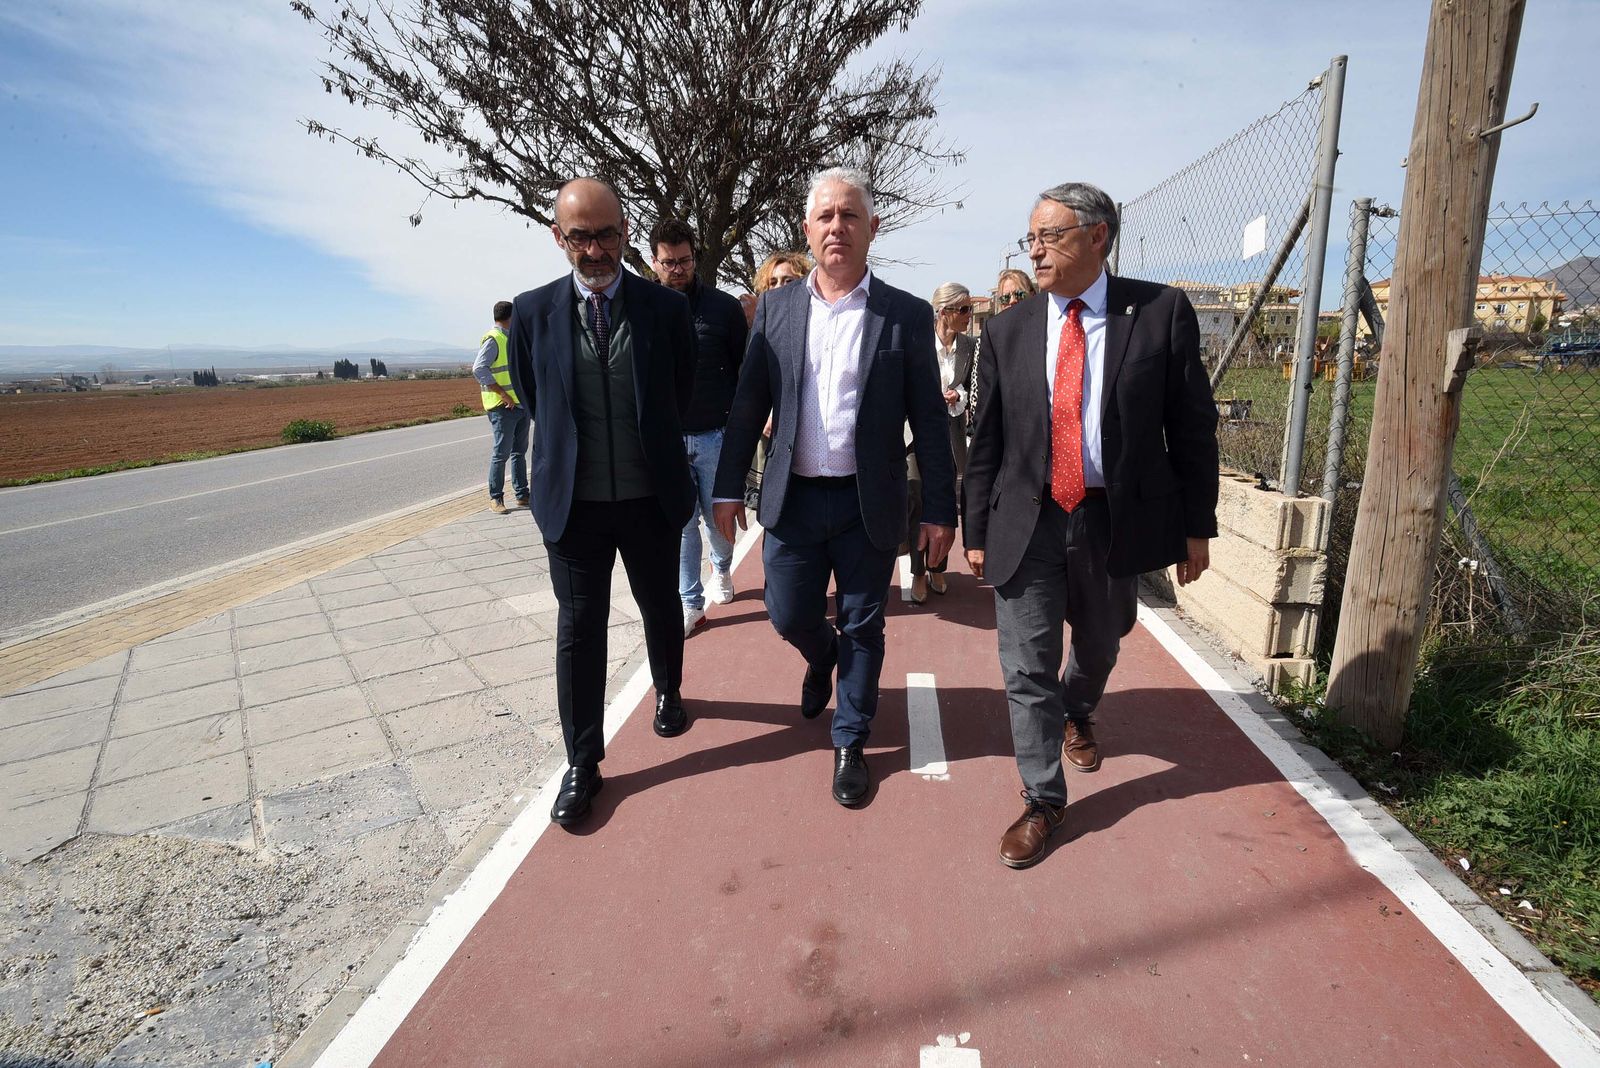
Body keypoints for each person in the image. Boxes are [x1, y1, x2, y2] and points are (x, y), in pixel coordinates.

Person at [963, 181, 1219, 869]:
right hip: (1029, 517)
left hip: (1113, 518)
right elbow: (985, 439)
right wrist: (975, 528)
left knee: (1104, 643)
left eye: (1050, 235)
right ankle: (1042, 799)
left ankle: (1081, 706)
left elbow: (1192, 428)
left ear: (1098, 237)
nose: (1036, 250)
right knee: (1025, 666)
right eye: (1031, 237)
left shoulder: (1160, 312)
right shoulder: (1007, 328)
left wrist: (1197, 526)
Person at [712, 167, 956, 807]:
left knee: (865, 625)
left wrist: (939, 508)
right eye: (825, 217)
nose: (837, 228)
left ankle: (850, 738)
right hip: (793, 500)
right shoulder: (779, 310)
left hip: (865, 501)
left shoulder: (903, 314)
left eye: (850, 216)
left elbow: (930, 419)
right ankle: (820, 658)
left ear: (872, 228)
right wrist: (726, 486)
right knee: (787, 611)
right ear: (808, 230)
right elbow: (747, 405)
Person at [506, 177, 697, 826]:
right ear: (558, 237)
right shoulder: (531, 314)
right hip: (575, 507)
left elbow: (678, 390)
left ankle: (669, 690)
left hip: (649, 498)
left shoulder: (665, 311)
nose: (595, 249)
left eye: (607, 234)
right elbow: (536, 401)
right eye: (579, 237)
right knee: (578, 629)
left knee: (659, 602)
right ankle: (583, 762)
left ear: (625, 232)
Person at [649, 218, 749, 637]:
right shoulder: (644, 308)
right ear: (654, 261)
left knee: (717, 520)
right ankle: (691, 602)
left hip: (715, 436)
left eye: (685, 260)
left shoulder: (723, 308)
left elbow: (745, 372)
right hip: (667, 439)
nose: (677, 269)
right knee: (682, 523)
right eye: (669, 262)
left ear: (695, 258)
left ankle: (722, 569)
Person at [905, 283, 976, 601]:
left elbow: (971, 389)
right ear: (944, 311)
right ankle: (919, 572)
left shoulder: (970, 346)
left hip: (951, 433)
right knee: (918, 500)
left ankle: (937, 566)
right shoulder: (917, 342)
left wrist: (956, 395)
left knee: (945, 501)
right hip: (914, 436)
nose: (969, 315)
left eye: (970, 308)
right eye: (963, 309)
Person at [741, 251, 812, 510]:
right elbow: (753, 383)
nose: (780, 287)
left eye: (788, 281)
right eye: (773, 282)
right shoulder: (761, 328)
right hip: (769, 428)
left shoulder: (814, 324)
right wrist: (767, 414)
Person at [471, 300, 529, 514]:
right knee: (501, 453)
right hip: (502, 406)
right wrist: (503, 394)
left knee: (519, 453)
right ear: (511, 317)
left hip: (520, 404)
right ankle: (496, 498)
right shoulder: (494, 339)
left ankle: (522, 495)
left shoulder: (510, 339)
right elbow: (479, 369)